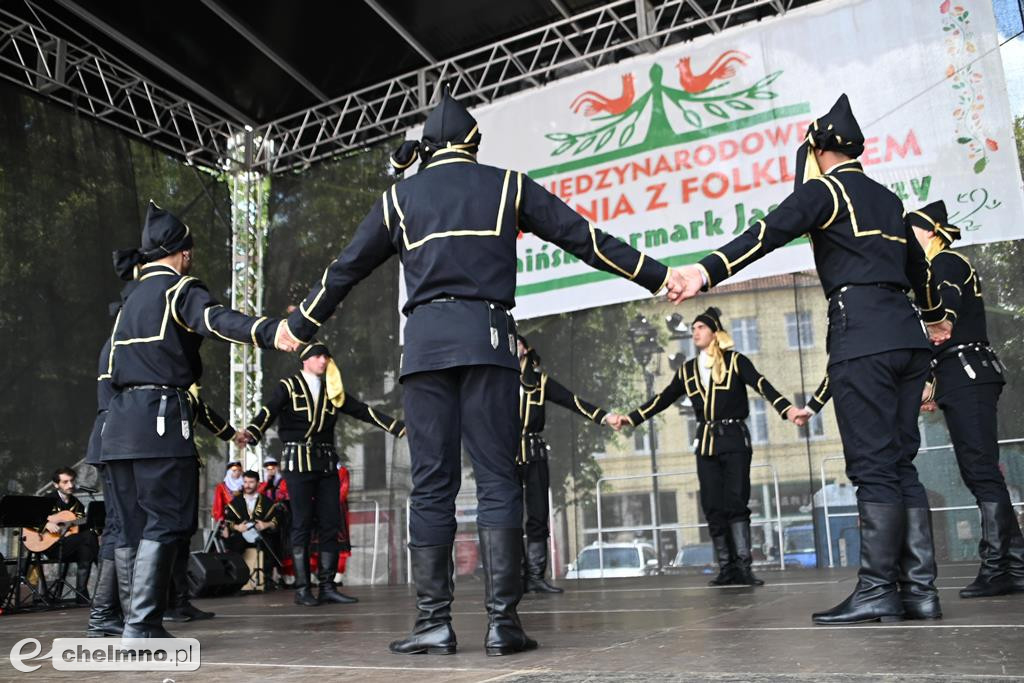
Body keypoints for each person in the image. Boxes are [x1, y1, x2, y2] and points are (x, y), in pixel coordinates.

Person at [274, 90, 687, 656]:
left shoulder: (401, 197)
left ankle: (434, 622)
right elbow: (584, 237)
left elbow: (345, 268)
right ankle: (501, 624)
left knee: (432, 485)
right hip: (489, 339)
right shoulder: (508, 184)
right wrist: (656, 275)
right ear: (473, 144)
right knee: (497, 479)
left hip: (423, 348)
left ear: (428, 148)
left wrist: (300, 322)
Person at [672, 94, 951, 624]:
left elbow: (766, 233)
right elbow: (919, 269)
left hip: (861, 335)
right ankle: (919, 591)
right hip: (906, 336)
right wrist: (935, 316)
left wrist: (705, 272)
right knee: (899, 464)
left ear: (819, 147)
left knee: (872, 465)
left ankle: (875, 591)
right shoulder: (890, 199)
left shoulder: (825, 191)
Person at [101, 200, 287, 639]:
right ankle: (142, 626)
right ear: (182, 252)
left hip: (118, 422)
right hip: (159, 419)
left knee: (130, 527)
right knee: (165, 520)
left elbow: (107, 371)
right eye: (190, 251)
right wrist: (267, 330)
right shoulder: (177, 288)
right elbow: (215, 319)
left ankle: (133, 623)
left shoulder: (126, 304)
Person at [614, 308, 805, 586]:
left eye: (701, 327)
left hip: (734, 439)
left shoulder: (735, 361)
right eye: (693, 328)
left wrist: (786, 409)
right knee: (712, 505)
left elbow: (761, 384)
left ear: (715, 333)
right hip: (706, 443)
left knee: (736, 502)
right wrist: (631, 418)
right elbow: (663, 398)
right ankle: (726, 568)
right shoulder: (688, 370)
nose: (695, 332)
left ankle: (743, 567)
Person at [908, 201, 1024, 598]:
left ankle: (998, 568)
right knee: (979, 469)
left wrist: (925, 377)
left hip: (968, 372)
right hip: (961, 374)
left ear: (931, 232)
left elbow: (942, 326)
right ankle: (1014, 564)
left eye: (913, 232)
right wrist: (932, 383)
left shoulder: (946, 264)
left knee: (980, 469)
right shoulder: (939, 268)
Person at [238, 341, 404, 607]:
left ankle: (327, 586)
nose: (324, 361)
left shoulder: (332, 389)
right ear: (305, 360)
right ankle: (303, 589)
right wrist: (253, 431)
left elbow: (361, 410)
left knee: (330, 523)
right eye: (318, 356)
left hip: (326, 462)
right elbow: (269, 411)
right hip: (297, 462)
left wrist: (396, 426)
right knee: (302, 524)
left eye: (326, 357)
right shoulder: (288, 386)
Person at [516, 335, 613, 594]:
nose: (511, 346)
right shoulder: (493, 381)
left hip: (534, 454)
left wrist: (604, 417)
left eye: (516, 342)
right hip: (505, 457)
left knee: (537, 515)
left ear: (526, 350)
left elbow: (573, 401)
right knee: (508, 518)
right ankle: (515, 577)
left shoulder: (539, 382)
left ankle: (536, 576)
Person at [86, 338, 124, 636]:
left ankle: (106, 614)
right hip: (115, 439)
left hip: (113, 439)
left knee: (119, 525)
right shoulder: (121, 341)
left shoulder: (115, 342)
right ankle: (102, 615)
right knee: (119, 526)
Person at [43, 467, 99, 605]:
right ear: (56, 484)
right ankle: (106, 577)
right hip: (50, 545)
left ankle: (81, 594)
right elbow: (28, 518)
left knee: (87, 546)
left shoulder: (76, 503)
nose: (71, 485)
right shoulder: (48, 500)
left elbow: (84, 524)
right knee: (89, 538)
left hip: (71, 546)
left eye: (72, 481)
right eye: (65, 482)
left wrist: (96, 524)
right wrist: (45, 524)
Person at [222, 470, 280, 585]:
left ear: (258, 483)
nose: (247, 485)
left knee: (272, 544)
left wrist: (266, 525)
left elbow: (276, 520)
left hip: (262, 535)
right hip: (241, 535)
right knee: (234, 545)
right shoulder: (236, 502)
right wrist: (237, 527)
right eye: (245, 482)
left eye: (251, 482)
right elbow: (228, 521)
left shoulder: (267, 502)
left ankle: (266, 580)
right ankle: (237, 580)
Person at [213, 461, 244, 525]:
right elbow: (218, 505)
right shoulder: (221, 487)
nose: (237, 472)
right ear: (229, 471)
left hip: (244, 519)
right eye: (234, 470)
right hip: (227, 520)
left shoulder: (245, 485)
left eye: (239, 470)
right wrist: (221, 523)